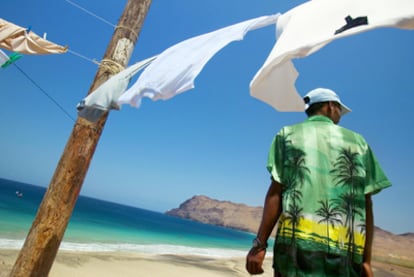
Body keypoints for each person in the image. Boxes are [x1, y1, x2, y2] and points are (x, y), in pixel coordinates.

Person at [246, 88, 391, 277]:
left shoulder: (287, 134)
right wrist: (366, 261)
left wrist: (259, 246)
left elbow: (276, 192)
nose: (340, 115)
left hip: (295, 254)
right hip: (346, 257)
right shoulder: (359, 143)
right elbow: (366, 204)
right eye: (340, 109)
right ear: (331, 106)